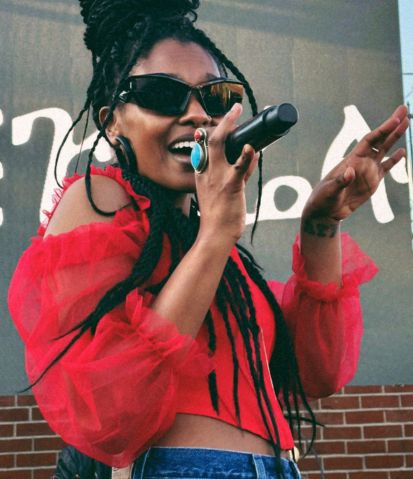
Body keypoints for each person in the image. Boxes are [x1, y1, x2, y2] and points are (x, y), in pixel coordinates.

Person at [8, 1, 409, 479]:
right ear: (111, 120)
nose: (198, 114)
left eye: (216, 97)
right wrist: (217, 232)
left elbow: (315, 374)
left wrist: (321, 226)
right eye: (162, 93)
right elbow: (115, 410)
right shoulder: (100, 200)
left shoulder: (215, 250)